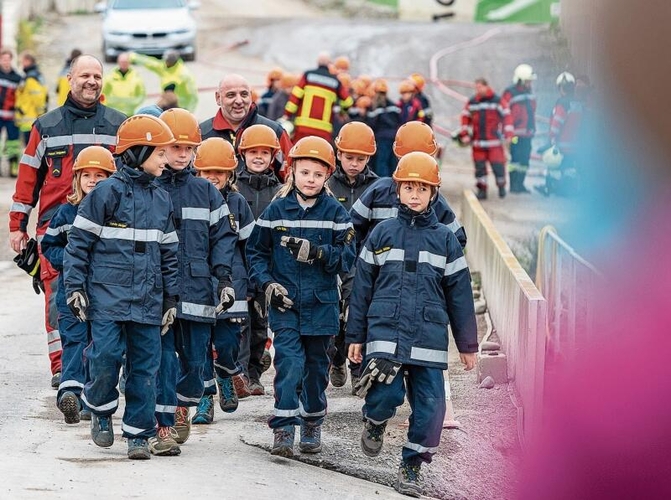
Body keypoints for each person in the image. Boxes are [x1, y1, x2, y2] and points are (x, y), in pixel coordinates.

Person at [346, 151, 478, 498]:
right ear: (398, 191)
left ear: (434, 193)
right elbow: (361, 289)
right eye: (409, 187)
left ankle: (412, 464)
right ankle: (374, 421)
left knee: (432, 408)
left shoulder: (446, 241)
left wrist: (467, 345)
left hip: (428, 336)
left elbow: (460, 295)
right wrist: (355, 336)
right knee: (385, 392)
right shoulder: (381, 234)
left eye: (423, 188)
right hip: (385, 333)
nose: (415, 194)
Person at [63, 114, 179, 460]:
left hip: (147, 300)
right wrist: (75, 288)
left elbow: (170, 253)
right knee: (105, 356)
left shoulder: (162, 198)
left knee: (145, 368)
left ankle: (138, 435)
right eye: (159, 153)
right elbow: (78, 245)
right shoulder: (105, 193)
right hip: (107, 298)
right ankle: (100, 409)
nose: (165, 159)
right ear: (139, 151)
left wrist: (171, 298)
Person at [9, 54, 126, 389]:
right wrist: (18, 225)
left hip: (109, 231)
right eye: (84, 75)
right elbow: (28, 178)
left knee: (105, 300)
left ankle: (97, 367)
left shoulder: (119, 125)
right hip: (56, 231)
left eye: (97, 76)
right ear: (70, 79)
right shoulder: (46, 126)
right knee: (58, 301)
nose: (91, 82)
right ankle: (63, 369)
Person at [246, 136, 356, 457]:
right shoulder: (276, 210)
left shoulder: (336, 213)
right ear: (291, 171)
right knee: (289, 364)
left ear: (327, 177)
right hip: (286, 305)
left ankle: (311, 421)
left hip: (322, 306)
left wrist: (318, 253)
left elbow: (347, 258)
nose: (311, 180)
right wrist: (267, 285)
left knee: (316, 368)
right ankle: (283, 429)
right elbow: (256, 252)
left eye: (318, 175)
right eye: (305, 172)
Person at [149, 108, 237, 455]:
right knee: (163, 361)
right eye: (175, 147)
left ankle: (183, 404)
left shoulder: (207, 192)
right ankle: (164, 425)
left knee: (196, 362)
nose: (182, 154)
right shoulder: (150, 187)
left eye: (188, 148)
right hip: (159, 291)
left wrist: (225, 279)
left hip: (200, 290)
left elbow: (223, 239)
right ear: (162, 148)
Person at [41, 146, 116, 424]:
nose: (93, 181)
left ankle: (90, 398)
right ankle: (70, 391)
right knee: (74, 340)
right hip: (70, 291)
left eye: (100, 175)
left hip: (105, 293)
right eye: (87, 175)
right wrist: (70, 259)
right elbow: (49, 246)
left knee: (98, 345)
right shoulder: (65, 213)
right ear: (76, 179)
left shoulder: (115, 213)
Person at [192, 137, 255, 424]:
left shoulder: (238, 203)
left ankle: (227, 373)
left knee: (228, 341)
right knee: (199, 343)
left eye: (219, 172)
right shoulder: (191, 199)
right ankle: (205, 400)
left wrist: (252, 284)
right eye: (206, 172)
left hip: (234, 283)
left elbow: (250, 246)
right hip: (199, 283)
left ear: (230, 174)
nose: (212, 177)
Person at [351, 121, 467, 253]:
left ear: (396, 153)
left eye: (422, 189)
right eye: (408, 188)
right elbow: (351, 230)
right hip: (379, 272)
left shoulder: (379, 190)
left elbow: (456, 241)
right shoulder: (379, 191)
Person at [234, 124, 285, 398]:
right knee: (240, 322)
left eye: (264, 152)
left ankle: (254, 373)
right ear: (242, 154)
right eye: (252, 152)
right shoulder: (235, 187)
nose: (258, 157)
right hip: (239, 265)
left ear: (272, 156)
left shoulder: (279, 191)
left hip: (267, 268)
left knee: (259, 325)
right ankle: (239, 374)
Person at [326, 121, 379, 390]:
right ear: (338, 154)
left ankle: (358, 368)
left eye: (360, 158)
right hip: (330, 261)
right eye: (349, 157)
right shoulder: (326, 185)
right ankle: (336, 358)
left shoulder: (378, 187)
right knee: (333, 315)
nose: (354, 163)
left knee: (358, 314)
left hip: (362, 263)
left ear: (369, 157)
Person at [200, 74, 292, 178]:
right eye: (231, 95)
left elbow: (292, 177)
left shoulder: (275, 132)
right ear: (218, 98)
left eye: (244, 94)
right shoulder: (201, 134)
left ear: (251, 95)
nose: (239, 101)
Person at [458, 77, 513, 200]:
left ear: (486, 86)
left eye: (480, 87)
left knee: (498, 166)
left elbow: (507, 116)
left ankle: (501, 187)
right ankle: (482, 191)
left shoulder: (497, 101)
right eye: (476, 87)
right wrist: (464, 134)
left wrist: (508, 134)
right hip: (478, 143)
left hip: (494, 143)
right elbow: (465, 117)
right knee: (480, 169)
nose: (478, 90)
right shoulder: (472, 102)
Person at [283, 51, 353, 143]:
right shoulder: (335, 82)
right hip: (323, 131)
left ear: (317, 62)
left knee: (299, 153)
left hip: (303, 127)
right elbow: (348, 101)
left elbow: (295, 97)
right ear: (329, 64)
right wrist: (342, 112)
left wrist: (287, 114)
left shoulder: (307, 76)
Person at [537, 72, 585, 197]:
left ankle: (551, 188)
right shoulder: (578, 103)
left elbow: (557, 122)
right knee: (569, 168)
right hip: (574, 144)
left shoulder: (562, 103)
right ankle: (568, 190)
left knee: (553, 166)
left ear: (560, 87)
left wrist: (552, 138)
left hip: (561, 144)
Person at [501, 64, 537, 193]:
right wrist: (507, 134)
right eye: (528, 80)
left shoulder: (530, 93)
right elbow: (505, 114)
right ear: (520, 79)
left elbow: (532, 112)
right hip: (515, 135)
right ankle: (514, 185)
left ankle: (520, 184)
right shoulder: (510, 93)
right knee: (515, 159)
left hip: (527, 134)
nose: (530, 83)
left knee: (524, 160)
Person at [129, 49, 197, 112]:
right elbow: (149, 62)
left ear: (172, 62)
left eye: (167, 61)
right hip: (166, 102)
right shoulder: (163, 67)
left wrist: (190, 111)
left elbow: (192, 94)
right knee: (154, 112)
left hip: (181, 106)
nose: (165, 62)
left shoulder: (183, 74)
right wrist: (134, 57)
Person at [368, 78, 401, 177]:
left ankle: (383, 184)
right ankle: (392, 183)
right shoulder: (394, 105)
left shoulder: (375, 106)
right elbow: (398, 120)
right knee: (392, 163)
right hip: (394, 137)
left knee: (381, 163)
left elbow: (371, 123)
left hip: (382, 138)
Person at [14, 51, 49, 145]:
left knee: (30, 148)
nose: (21, 64)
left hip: (29, 118)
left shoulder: (31, 78)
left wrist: (40, 114)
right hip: (30, 118)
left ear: (28, 61)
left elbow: (38, 98)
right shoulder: (35, 76)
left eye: (22, 61)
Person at [0, 49, 22, 177]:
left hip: (11, 116)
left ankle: (13, 167)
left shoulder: (17, 78)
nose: (6, 62)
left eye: (8, 59)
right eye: (4, 59)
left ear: (11, 60)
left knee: (13, 143)